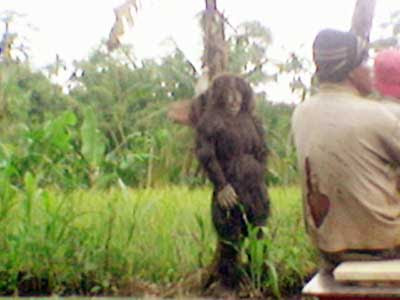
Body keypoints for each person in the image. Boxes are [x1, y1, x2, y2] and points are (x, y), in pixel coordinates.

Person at [292, 28, 400, 271]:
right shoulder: (380, 117)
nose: (370, 70)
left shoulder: (301, 113)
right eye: (365, 62)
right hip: (382, 247)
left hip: (329, 250)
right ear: (351, 70)